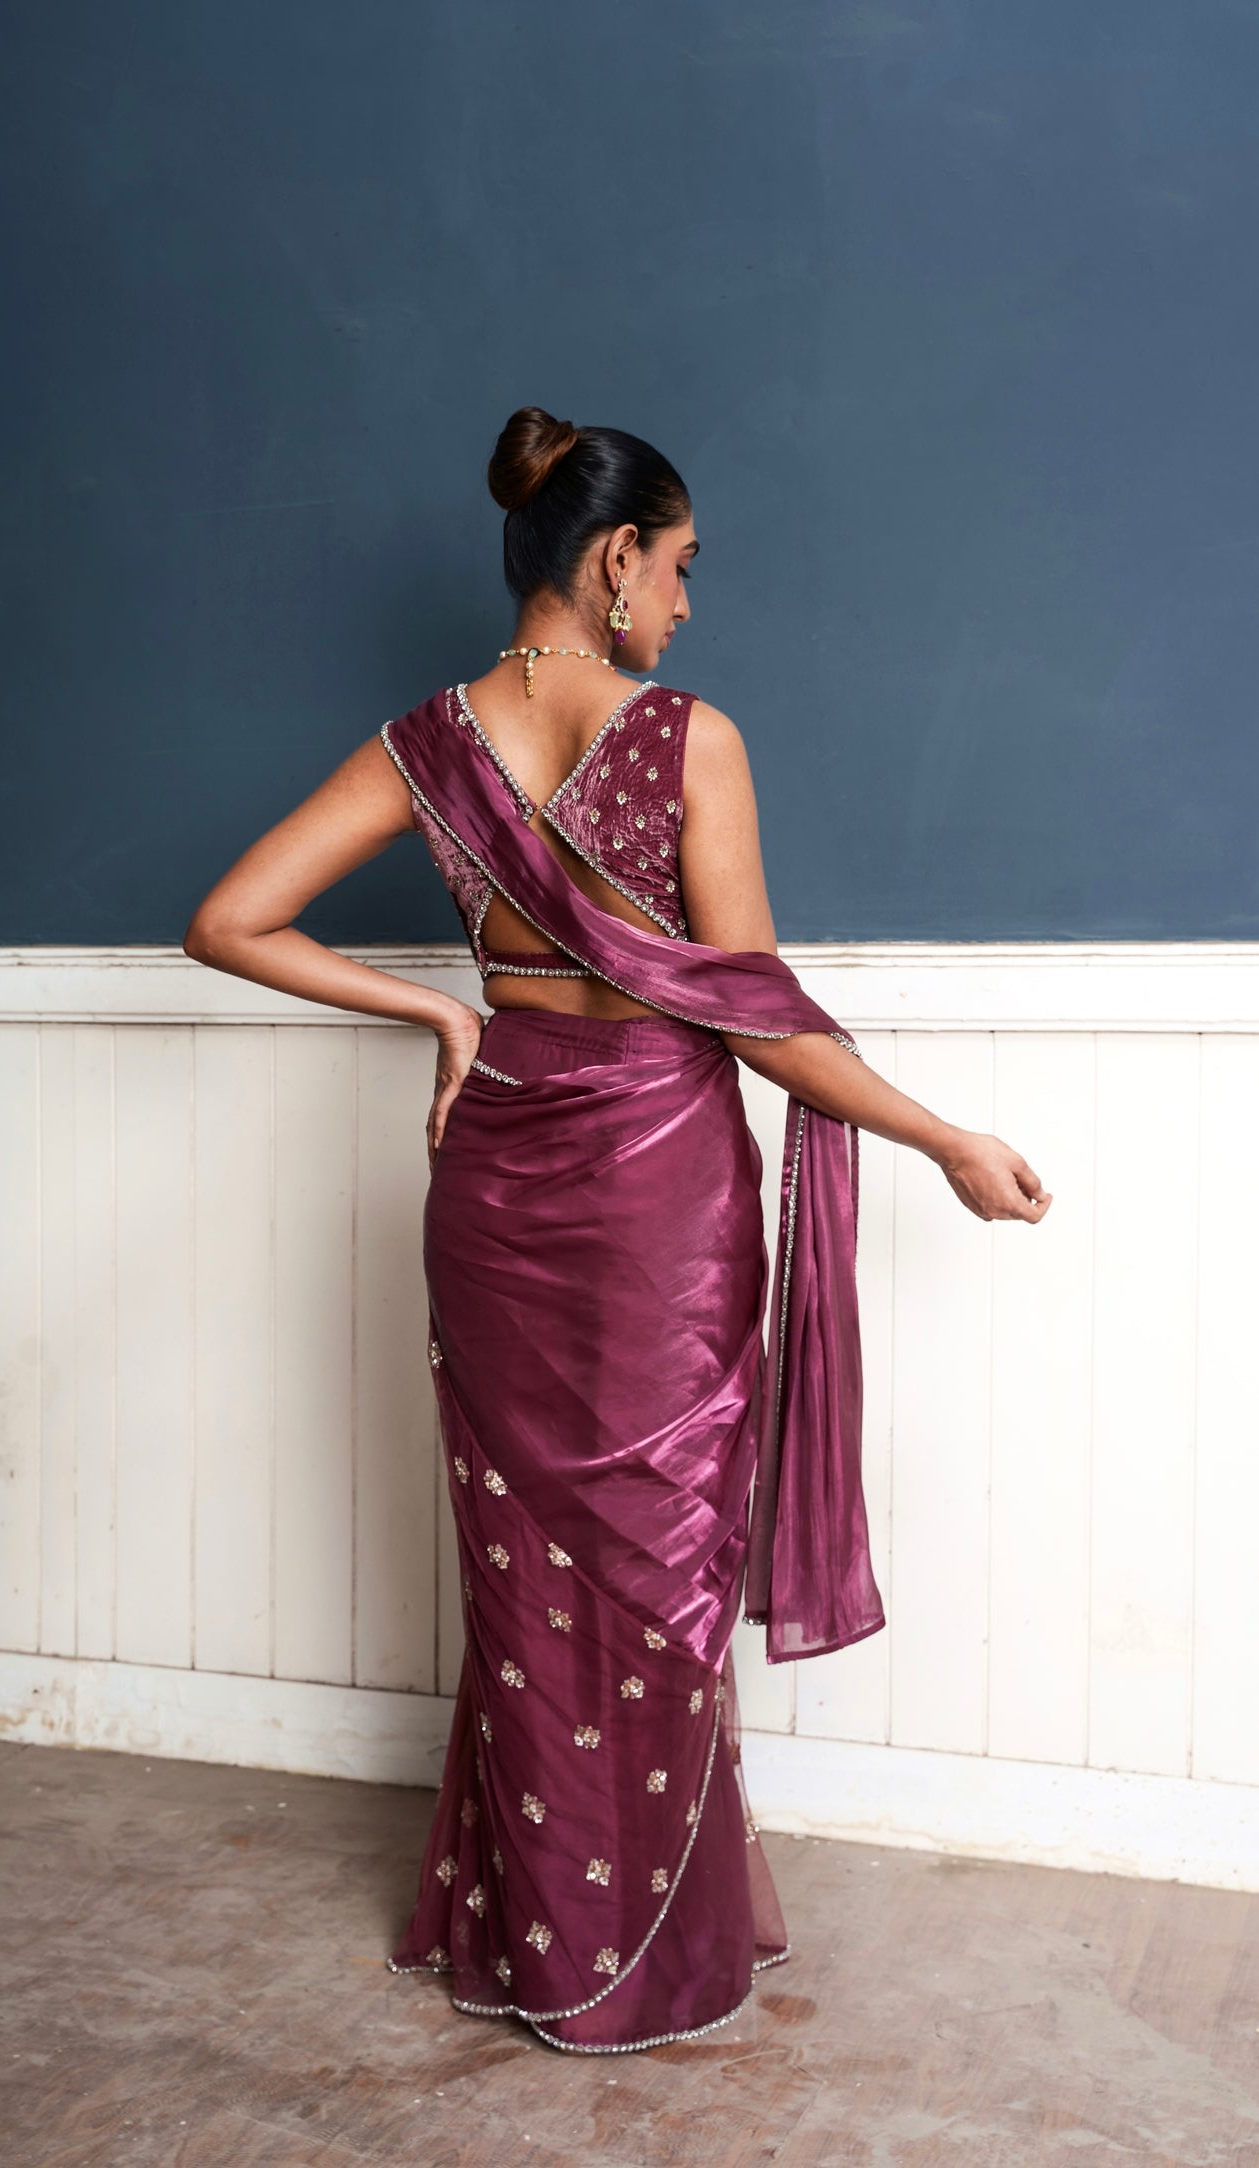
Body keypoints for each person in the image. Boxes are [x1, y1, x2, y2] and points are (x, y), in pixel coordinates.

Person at [183, 406, 1051, 2055]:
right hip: (661, 1197)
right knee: (659, 1568)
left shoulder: (423, 747)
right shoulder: (686, 739)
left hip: (494, 1184)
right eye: (679, 567)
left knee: (530, 1576)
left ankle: (546, 1938)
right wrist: (943, 1137)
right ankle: (629, 1954)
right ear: (612, 559)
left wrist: (447, 1017)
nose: (685, 603)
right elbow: (759, 1022)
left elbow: (229, 921)